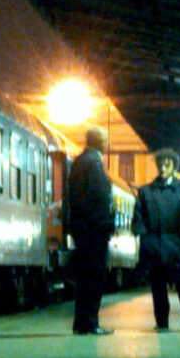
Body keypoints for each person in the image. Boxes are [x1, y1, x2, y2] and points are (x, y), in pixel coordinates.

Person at [131, 148, 180, 332]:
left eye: (167, 164)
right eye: (160, 164)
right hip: (156, 244)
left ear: (173, 166)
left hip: (177, 245)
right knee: (158, 286)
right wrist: (147, 241)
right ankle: (162, 321)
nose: (163, 168)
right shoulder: (146, 192)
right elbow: (138, 219)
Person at [66, 126, 116, 335]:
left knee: (84, 279)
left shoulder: (79, 162)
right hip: (94, 231)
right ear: (98, 142)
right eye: (105, 140)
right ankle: (90, 322)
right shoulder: (93, 163)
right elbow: (97, 198)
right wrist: (106, 223)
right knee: (94, 278)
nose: (107, 144)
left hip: (83, 230)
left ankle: (81, 323)